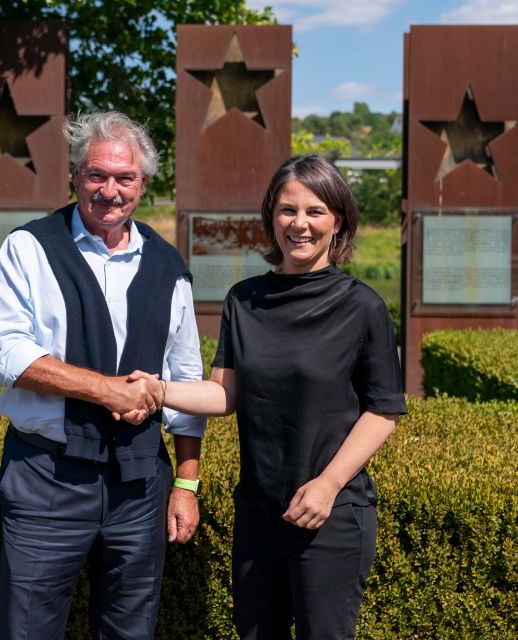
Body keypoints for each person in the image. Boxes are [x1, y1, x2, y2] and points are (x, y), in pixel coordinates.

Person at [129, 154, 407, 639]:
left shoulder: (362, 306)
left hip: (331, 515)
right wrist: (161, 389)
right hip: (258, 514)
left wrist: (328, 484)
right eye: (287, 210)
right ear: (271, 218)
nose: (299, 224)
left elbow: (383, 410)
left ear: (337, 220)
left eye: (315, 211)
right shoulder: (244, 299)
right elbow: (224, 394)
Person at [0, 111, 206, 640]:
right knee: (28, 631)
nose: (110, 190)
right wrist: (106, 389)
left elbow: (186, 379)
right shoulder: (29, 249)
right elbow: (3, 354)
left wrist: (186, 483)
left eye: (124, 178)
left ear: (143, 184)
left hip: (140, 485)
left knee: (130, 631)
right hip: (47, 479)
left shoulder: (169, 266)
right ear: (76, 177)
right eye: (96, 175)